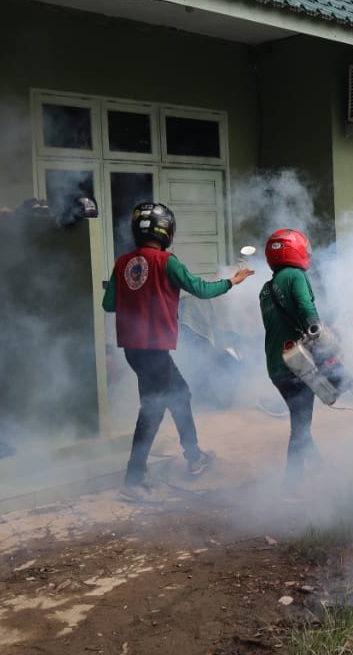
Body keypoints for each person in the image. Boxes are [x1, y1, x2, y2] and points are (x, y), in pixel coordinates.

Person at [102, 203, 253, 502]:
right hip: (154, 348)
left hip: (134, 349)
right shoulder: (167, 262)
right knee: (152, 410)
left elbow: (109, 304)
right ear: (167, 230)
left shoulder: (123, 263)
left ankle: (194, 456)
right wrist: (232, 282)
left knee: (180, 393)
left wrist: (136, 296)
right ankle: (133, 480)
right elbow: (201, 289)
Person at [257, 229, 323, 494]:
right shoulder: (296, 276)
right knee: (301, 424)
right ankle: (291, 486)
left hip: (275, 366)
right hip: (298, 363)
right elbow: (307, 310)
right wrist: (320, 334)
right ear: (294, 250)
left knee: (300, 416)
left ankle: (318, 464)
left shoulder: (265, 289)